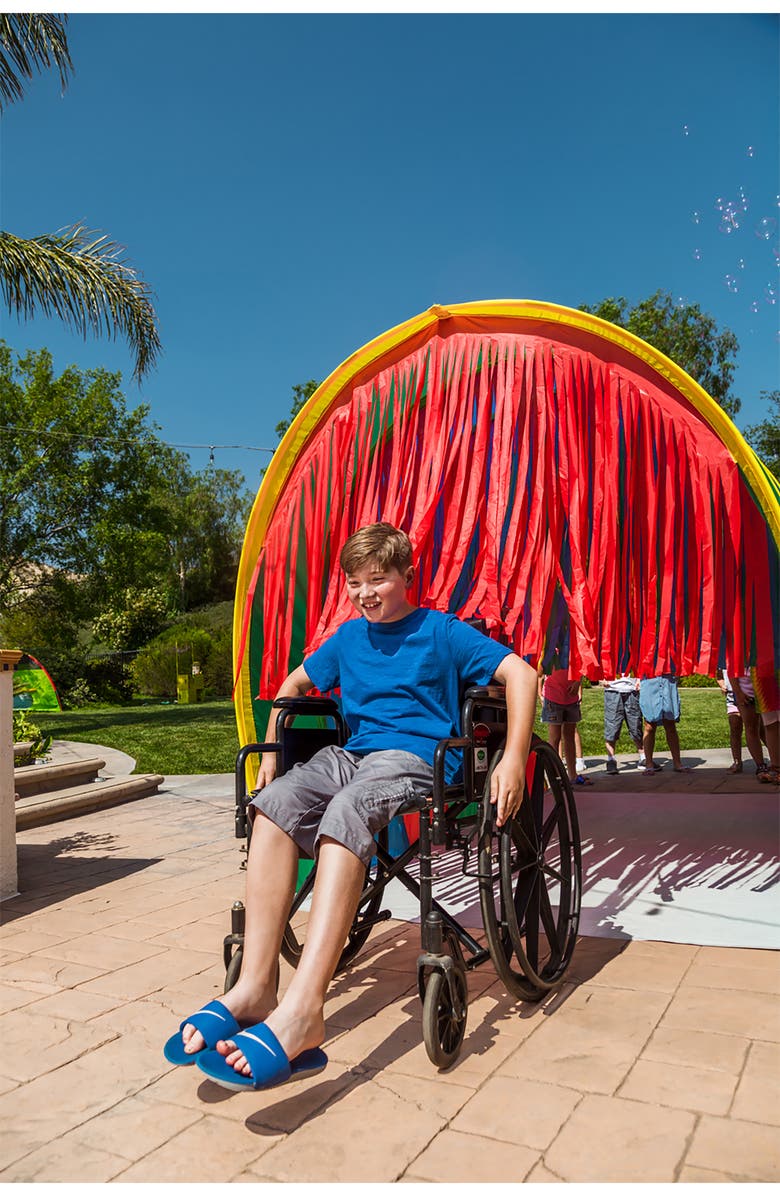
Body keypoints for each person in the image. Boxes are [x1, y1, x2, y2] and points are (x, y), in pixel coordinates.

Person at [163, 522, 539, 1091]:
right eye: (356, 583)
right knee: (273, 804)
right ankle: (256, 987)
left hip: (415, 758)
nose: (366, 593)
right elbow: (291, 686)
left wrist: (512, 758)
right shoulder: (347, 638)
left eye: (378, 580)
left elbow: (521, 673)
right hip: (353, 754)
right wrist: (271, 755)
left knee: (347, 809)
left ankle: (305, 1009)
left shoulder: (442, 632)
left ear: (406, 577)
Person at [538, 663, 593, 786]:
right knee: (555, 737)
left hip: (570, 696)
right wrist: (539, 692)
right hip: (553, 696)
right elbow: (540, 670)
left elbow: (582, 664)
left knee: (569, 736)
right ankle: (555, 777)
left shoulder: (573, 646)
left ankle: (572, 775)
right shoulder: (550, 646)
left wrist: (578, 682)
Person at [639, 672, 690, 774]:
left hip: (668, 681)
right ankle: (649, 764)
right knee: (649, 725)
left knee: (670, 724)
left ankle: (677, 763)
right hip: (649, 681)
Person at [600, 673, 644, 773]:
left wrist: (639, 680)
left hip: (632, 690)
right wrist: (601, 677)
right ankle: (611, 760)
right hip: (612, 689)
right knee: (612, 726)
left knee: (636, 724)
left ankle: (643, 757)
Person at [731, 671, 771, 778]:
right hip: (746, 692)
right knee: (751, 728)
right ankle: (761, 766)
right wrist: (738, 692)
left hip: (767, 689)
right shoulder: (736, 654)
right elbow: (732, 670)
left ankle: (776, 764)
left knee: (771, 726)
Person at [717, 668, 744, 773]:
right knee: (735, 729)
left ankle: (774, 761)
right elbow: (719, 676)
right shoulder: (723, 660)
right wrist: (722, 685)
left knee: (758, 730)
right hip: (732, 697)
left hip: (748, 695)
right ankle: (737, 761)